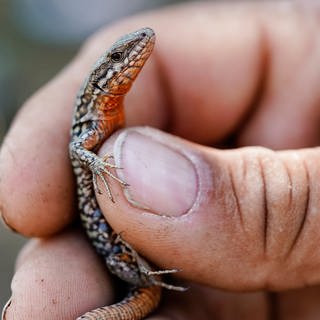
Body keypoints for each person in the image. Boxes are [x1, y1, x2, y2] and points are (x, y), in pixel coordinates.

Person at [1, 1, 320, 319]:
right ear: (100, 80)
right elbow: (76, 150)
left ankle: (144, 286)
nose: (130, 54)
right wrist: (97, 164)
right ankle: (142, 284)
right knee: (111, 258)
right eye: (117, 58)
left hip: (127, 243)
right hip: (112, 251)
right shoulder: (93, 118)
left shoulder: (112, 111)